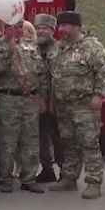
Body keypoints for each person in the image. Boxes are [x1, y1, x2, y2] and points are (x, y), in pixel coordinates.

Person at [46, 11, 105, 199]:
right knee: (68, 143)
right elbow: (53, 75)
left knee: (88, 143)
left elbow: (104, 73)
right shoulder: (59, 48)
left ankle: (93, 181)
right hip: (63, 105)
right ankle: (69, 178)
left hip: (84, 105)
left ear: (76, 26)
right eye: (60, 26)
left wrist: (99, 95)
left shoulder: (92, 47)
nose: (61, 30)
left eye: (65, 26)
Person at [0, 21, 46, 193]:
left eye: (20, 26)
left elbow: (40, 72)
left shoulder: (31, 45)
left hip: (29, 98)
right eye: (13, 26)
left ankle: (29, 178)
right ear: (5, 28)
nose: (17, 30)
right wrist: (9, 51)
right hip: (8, 98)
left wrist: (42, 96)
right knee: (7, 141)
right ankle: (6, 178)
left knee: (31, 140)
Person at [34, 13, 63, 183]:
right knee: (41, 137)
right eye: (38, 28)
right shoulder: (32, 49)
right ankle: (47, 169)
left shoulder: (60, 50)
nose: (40, 31)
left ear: (52, 31)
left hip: (57, 101)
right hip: (38, 101)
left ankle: (64, 170)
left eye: (44, 28)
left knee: (59, 138)